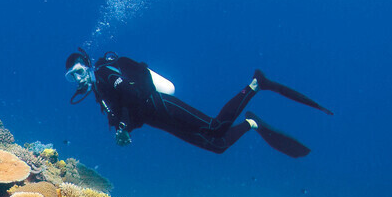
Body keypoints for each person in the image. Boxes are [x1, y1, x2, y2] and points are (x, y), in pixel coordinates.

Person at [64, 50, 332, 157]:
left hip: (163, 105)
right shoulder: (99, 92)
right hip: (160, 120)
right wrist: (124, 130)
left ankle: (255, 84)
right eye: (71, 77)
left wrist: (123, 124)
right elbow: (128, 115)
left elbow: (132, 97)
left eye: (78, 71)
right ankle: (252, 123)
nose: (77, 79)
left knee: (215, 127)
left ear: (87, 66)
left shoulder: (105, 73)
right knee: (216, 146)